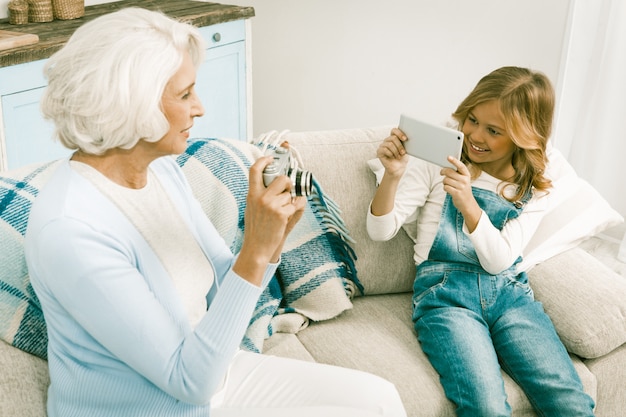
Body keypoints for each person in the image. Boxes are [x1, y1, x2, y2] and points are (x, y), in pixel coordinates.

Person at [24, 8, 407, 417]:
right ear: (133, 104)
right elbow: (189, 382)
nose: (200, 108)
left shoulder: (163, 171)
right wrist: (255, 252)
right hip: (158, 404)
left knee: (380, 400)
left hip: (210, 371)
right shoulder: (70, 230)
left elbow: (226, 286)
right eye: (185, 94)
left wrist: (272, 239)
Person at [367, 66, 595, 416]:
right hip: (445, 297)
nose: (475, 136)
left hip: (510, 295)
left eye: (494, 131)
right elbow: (380, 231)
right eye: (472, 120)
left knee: (570, 403)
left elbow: (499, 261)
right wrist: (393, 177)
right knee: (486, 407)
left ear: (523, 137)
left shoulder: (534, 183)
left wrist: (468, 205)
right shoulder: (438, 160)